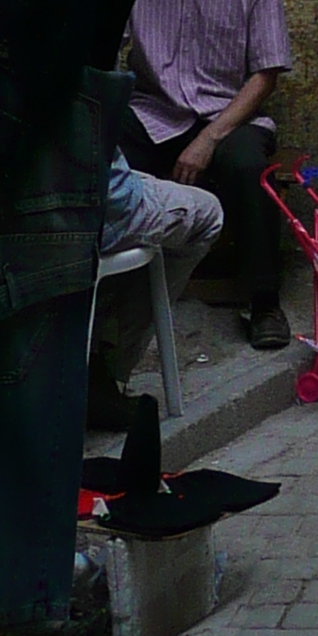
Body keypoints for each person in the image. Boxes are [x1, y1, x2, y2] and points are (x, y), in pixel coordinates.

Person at [121, 0, 293, 349]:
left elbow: (265, 73)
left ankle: (263, 303)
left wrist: (212, 137)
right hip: (154, 113)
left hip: (227, 118)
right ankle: (114, 291)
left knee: (247, 168)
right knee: (102, 153)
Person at [87, 146, 224, 431]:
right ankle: (105, 368)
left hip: (11, 208)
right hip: (88, 209)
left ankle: (94, 357)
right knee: (208, 213)